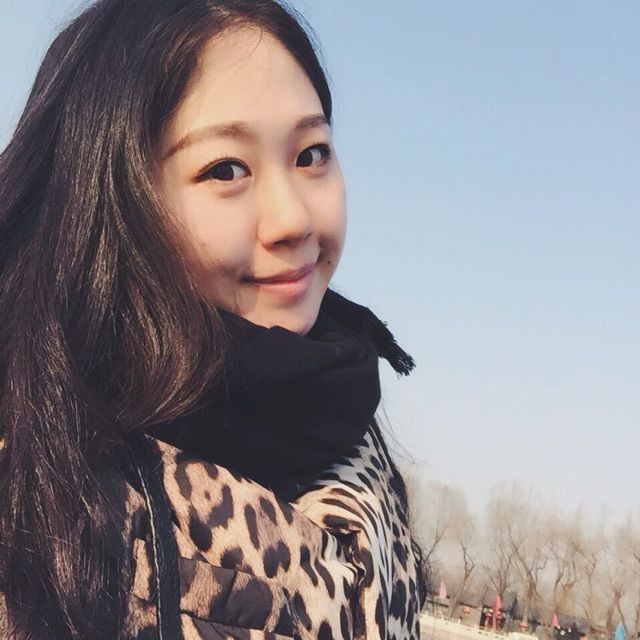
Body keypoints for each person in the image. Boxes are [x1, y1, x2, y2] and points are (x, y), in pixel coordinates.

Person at [0, 1, 425, 638]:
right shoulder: (37, 499)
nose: (294, 219)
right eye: (226, 169)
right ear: (108, 200)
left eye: (311, 154)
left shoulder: (356, 433)